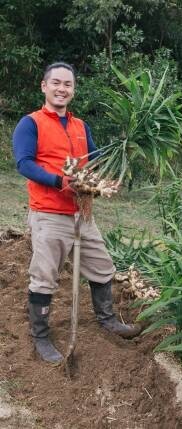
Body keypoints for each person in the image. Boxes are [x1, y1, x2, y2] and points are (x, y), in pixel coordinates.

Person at [12, 62, 141, 364]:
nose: (62, 89)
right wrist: (61, 181)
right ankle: (41, 337)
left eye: (67, 84)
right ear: (44, 86)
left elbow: (94, 159)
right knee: (44, 276)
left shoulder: (81, 126)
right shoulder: (30, 123)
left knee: (102, 266)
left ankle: (107, 320)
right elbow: (24, 163)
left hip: (82, 213)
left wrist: (112, 170)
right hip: (50, 213)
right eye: (56, 83)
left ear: (73, 90)